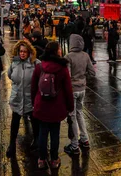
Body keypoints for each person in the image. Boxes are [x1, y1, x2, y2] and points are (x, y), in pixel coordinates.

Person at [31, 42, 74, 170]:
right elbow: (68, 90)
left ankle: (42, 159)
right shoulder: (62, 68)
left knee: (42, 133)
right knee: (55, 134)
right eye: (59, 49)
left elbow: (33, 87)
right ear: (56, 51)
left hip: (42, 106)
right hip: (57, 106)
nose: (61, 50)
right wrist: (70, 107)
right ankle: (54, 159)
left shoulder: (39, 67)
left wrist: (34, 102)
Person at [6, 41, 41, 158]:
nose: (22, 53)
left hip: (30, 98)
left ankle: (37, 141)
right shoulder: (14, 63)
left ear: (29, 52)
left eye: (25, 51)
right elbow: (9, 75)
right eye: (20, 51)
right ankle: (12, 145)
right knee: (15, 122)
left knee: (35, 121)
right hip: (17, 98)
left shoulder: (35, 63)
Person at [64, 35, 95, 156]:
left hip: (72, 90)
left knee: (72, 116)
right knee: (80, 113)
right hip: (82, 89)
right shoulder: (86, 55)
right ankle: (85, 139)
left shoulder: (68, 57)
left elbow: (68, 76)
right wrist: (83, 75)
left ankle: (74, 145)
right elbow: (92, 72)